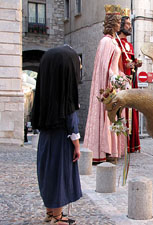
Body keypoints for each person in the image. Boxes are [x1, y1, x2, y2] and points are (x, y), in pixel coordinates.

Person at [31, 46, 82, 225]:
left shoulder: (45, 94)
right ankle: (58, 217)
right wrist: (77, 145)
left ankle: (50, 213)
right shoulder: (65, 95)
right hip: (61, 140)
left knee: (48, 174)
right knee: (59, 175)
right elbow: (71, 121)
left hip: (46, 139)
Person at [84, 5, 128, 163]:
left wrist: (122, 77)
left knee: (114, 117)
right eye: (117, 21)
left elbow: (114, 66)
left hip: (114, 84)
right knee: (108, 116)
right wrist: (115, 80)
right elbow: (105, 67)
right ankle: (104, 151)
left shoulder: (115, 42)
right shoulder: (106, 42)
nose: (119, 24)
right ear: (111, 23)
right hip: (109, 86)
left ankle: (112, 150)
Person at [116, 10, 142, 153]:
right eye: (126, 24)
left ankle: (132, 144)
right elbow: (116, 63)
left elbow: (130, 61)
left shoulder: (129, 45)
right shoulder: (116, 43)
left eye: (129, 24)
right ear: (120, 26)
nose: (129, 27)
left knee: (132, 112)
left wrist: (135, 64)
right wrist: (125, 66)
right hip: (121, 84)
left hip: (130, 82)